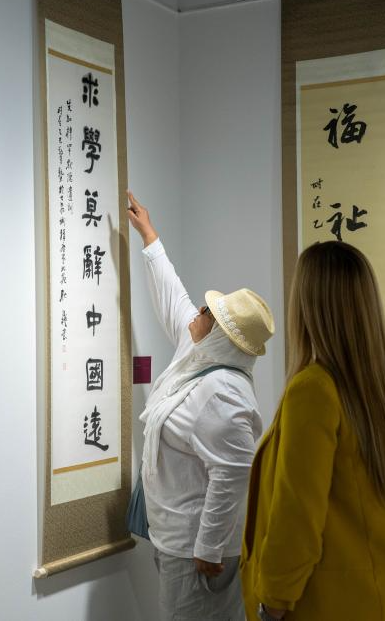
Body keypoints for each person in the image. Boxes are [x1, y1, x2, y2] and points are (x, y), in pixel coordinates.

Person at [241, 240, 385, 621]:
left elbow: (297, 518)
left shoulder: (315, 389)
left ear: (307, 307)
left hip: (336, 604)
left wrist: (273, 602)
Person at [126, 191, 275, 621]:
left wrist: (209, 548)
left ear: (221, 335)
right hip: (176, 540)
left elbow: (233, 473)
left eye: (208, 311)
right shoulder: (197, 355)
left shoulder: (224, 392)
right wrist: (150, 237)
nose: (198, 310)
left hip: (200, 555)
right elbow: (173, 298)